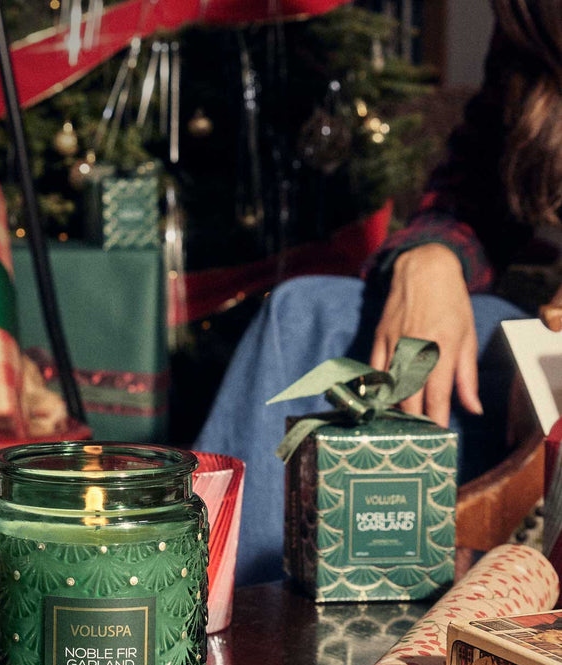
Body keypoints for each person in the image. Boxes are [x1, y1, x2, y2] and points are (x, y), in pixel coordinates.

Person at [196, 0, 562, 584]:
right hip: (549, 341)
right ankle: (206, 614)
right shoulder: (531, 22)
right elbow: (473, 192)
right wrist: (432, 257)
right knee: (306, 314)